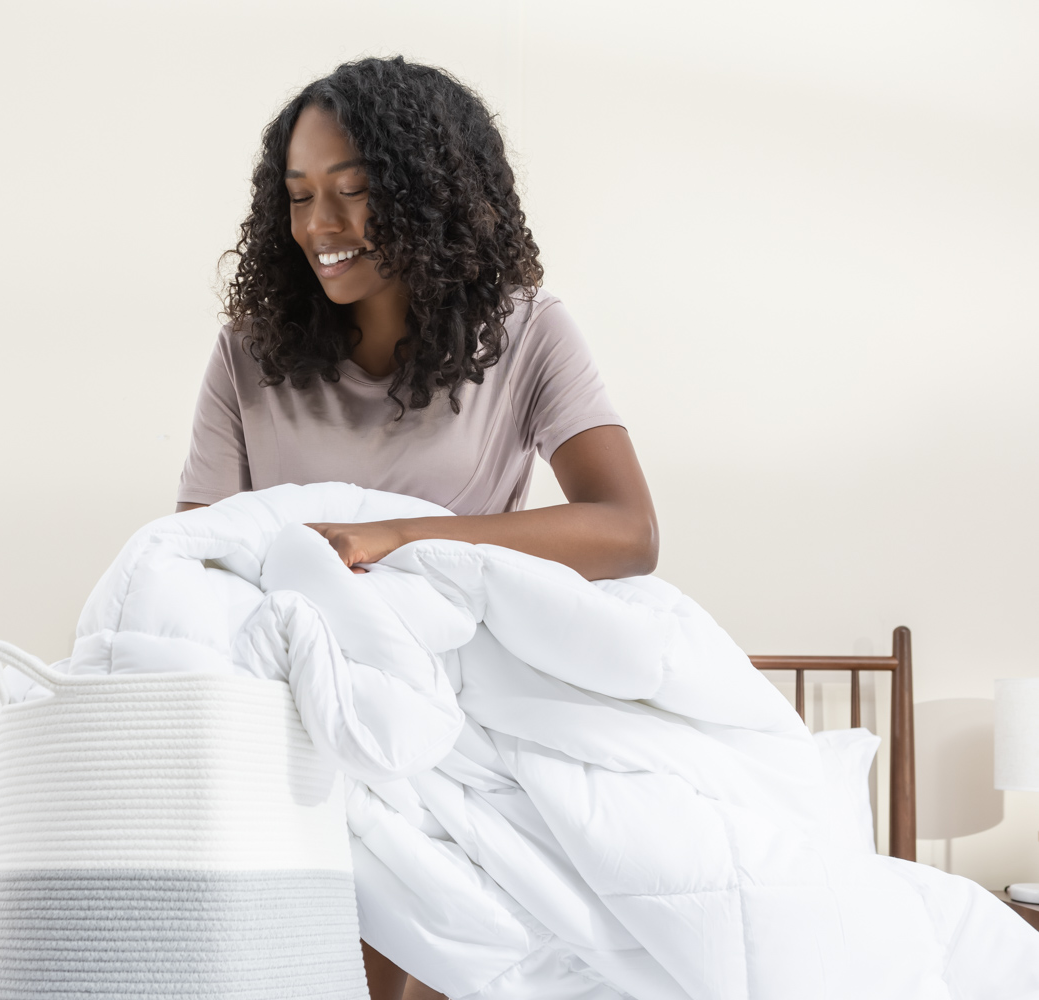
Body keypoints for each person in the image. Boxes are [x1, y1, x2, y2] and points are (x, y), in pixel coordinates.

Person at [176, 56, 658, 1000]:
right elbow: (195, 555)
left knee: (431, 883)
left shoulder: (529, 334)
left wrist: (398, 539)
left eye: (354, 193)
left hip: (447, 703)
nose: (321, 225)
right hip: (283, 708)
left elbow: (627, 530)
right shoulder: (248, 353)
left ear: (432, 197)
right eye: (300, 196)